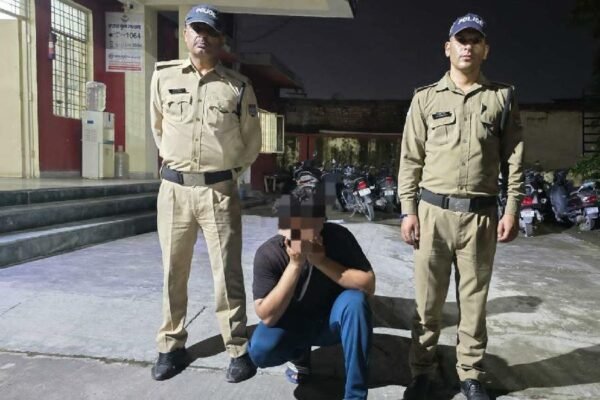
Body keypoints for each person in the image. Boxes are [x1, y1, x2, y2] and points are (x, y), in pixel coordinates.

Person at [398, 13, 523, 400]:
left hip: (481, 216)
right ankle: (422, 371)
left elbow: (514, 156)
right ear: (447, 48)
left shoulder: (501, 97)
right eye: (461, 40)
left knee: (474, 302)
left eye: (475, 40)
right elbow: (410, 158)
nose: (467, 47)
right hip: (432, 213)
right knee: (427, 302)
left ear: (486, 49)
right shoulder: (425, 98)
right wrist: (408, 210)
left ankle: (470, 373)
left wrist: (512, 208)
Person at [149, 3, 262, 383]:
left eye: (210, 31)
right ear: (184, 34)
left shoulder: (237, 86)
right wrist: (178, 166)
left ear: (221, 39)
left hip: (218, 192)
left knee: (226, 273)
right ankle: (170, 345)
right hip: (174, 192)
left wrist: (225, 175)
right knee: (172, 270)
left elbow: (250, 143)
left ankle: (237, 347)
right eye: (196, 29)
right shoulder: (163, 77)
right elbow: (158, 128)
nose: (202, 37)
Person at [248, 170, 376, 400]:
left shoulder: (338, 237)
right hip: (292, 324)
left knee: (355, 303)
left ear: (322, 224)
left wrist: (321, 261)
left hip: (330, 322)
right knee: (260, 350)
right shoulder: (269, 253)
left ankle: (355, 395)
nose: (300, 236)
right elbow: (266, 316)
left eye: (308, 227)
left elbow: (368, 285)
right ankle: (299, 355)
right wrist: (295, 264)